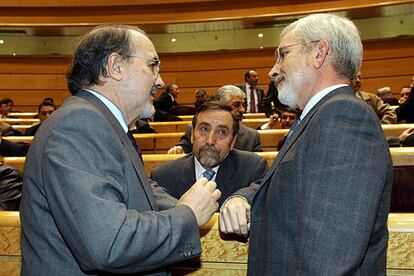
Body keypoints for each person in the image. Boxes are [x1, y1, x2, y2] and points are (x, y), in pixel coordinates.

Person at [20, 25, 221, 275]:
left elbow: (133, 188)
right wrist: (187, 214)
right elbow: (109, 243)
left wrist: (192, 204)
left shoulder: (101, 122)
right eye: (152, 66)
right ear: (115, 66)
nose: (160, 80)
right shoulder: (79, 124)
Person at [219, 14, 392, 275]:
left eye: (283, 54)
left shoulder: (343, 117)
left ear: (319, 53)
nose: (273, 70)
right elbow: (282, 185)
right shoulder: (319, 116)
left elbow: (328, 256)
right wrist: (241, 197)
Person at [152, 101, 267, 207]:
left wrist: (240, 198)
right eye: (204, 129)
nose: (210, 141)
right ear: (192, 135)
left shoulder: (252, 169)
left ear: (232, 142)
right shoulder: (163, 176)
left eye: (222, 132)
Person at [167, 85, 263, 154]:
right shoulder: (195, 128)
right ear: (220, 105)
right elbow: (183, 147)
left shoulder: (251, 136)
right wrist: (177, 149)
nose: (242, 110)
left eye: (244, 105)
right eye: (236, 105)